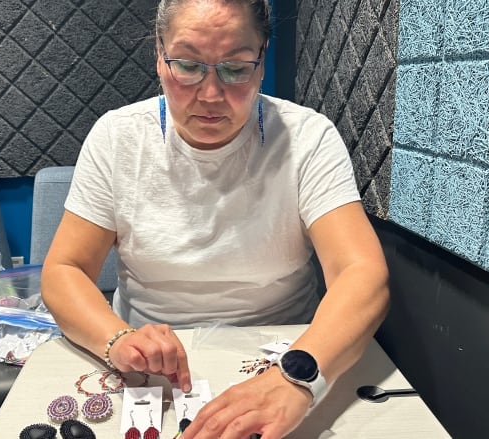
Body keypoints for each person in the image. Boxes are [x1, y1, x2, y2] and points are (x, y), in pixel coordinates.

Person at [41, 0, 390, 437]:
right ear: (159, 52)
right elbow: (64, 270)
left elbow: (362, 273)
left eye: (236, 68)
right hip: (153, 366)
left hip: (282, 352)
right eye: (186, 65)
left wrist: (296, 377)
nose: (210, 94)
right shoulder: (117, 137)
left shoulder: (308, 137)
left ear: (262, 59)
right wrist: (117, 339)